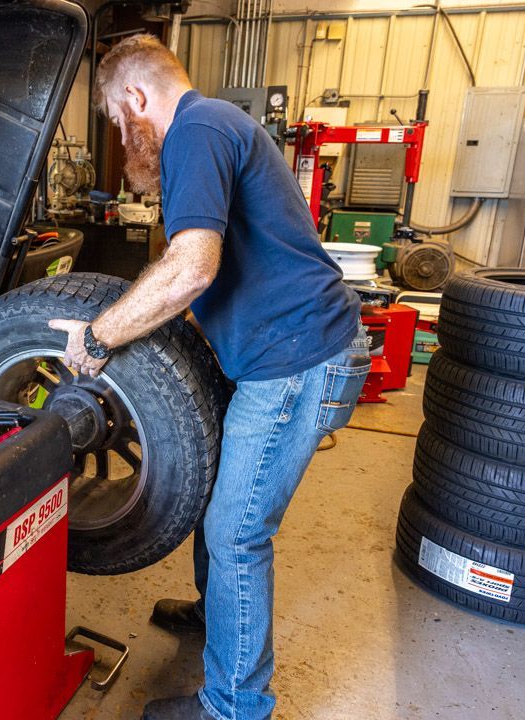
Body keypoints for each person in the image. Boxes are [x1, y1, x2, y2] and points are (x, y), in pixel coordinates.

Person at [47, 34, 370, 720]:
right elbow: (201, 274)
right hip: (283, 350)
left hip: (296, 360)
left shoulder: (195, 130)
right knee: (220, 485)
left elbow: (193, 266)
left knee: (237, 532)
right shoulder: (216, 125)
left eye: (114, 116)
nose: (119, 130)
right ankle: (215, 610)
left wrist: (101, 336)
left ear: (137, 95)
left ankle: (234, 706)